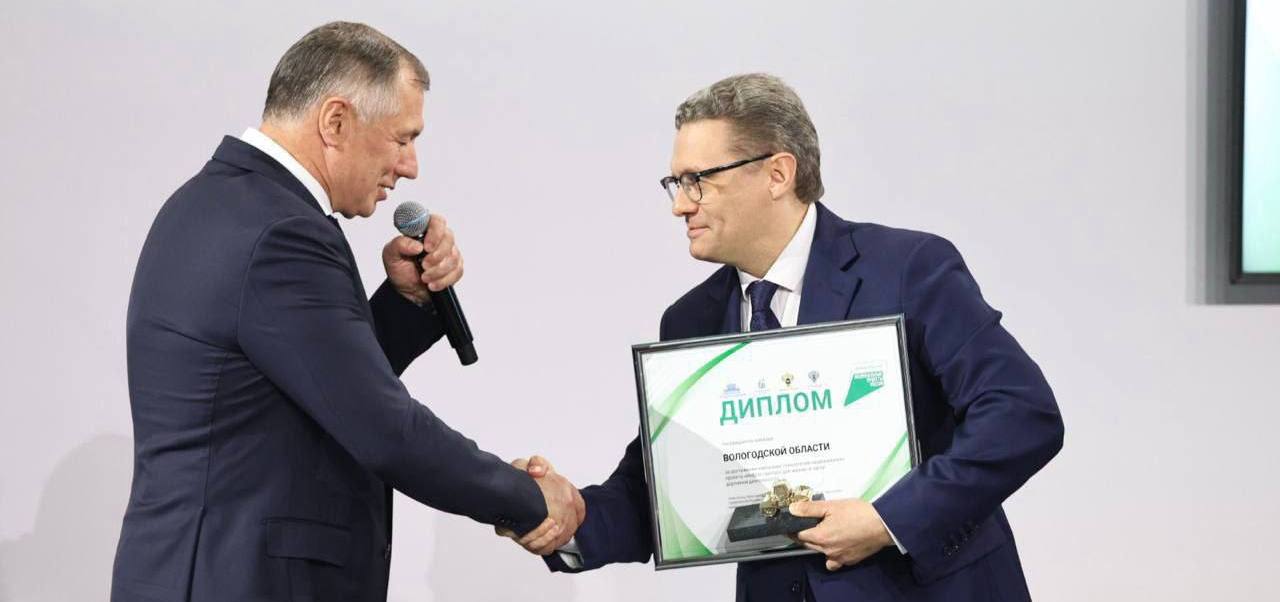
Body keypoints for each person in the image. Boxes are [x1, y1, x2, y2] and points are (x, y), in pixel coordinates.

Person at [510, 73, 1064, 601]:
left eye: (698, 180)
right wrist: (558, 516)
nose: (680, 204)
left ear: (778, 174)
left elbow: (1020, 413)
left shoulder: (908, 269)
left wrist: (886, 521)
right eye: (675, 183)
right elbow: (657, 493)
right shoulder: (690, 320)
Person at [111, 22, 582, 602]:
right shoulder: (283, 232)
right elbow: (384, 430)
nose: (410, 166)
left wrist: (405, 302)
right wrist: (528, 499)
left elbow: (311, 387)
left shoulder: (215, 202)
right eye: (402, 139)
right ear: (335, 122)